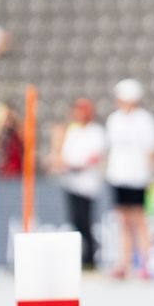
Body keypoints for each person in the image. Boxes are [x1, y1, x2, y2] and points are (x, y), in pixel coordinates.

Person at [105, 79, 154, 278]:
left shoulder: (145, 120)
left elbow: (152, 150)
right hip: (119, 175)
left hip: (138, 176)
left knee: (140, 219)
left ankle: (146, 263)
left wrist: (153, 175)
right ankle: (125, 263)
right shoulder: (114, 119)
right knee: (123, 221)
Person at [49, 98, 106, 270]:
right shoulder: (72, 131)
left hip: (87, 184)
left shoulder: (96, 131)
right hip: (71, 182)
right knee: (75, 222)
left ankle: (90, 257)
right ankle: (82, 256)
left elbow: (92, 158)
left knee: (85, 221)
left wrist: (70, 163)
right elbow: (61, 155)